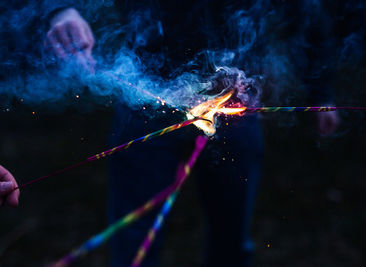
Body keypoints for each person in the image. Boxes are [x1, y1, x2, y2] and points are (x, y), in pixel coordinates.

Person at [43, 2, 339, 266]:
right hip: (146, 99)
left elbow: (306, 10)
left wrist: (320, 90)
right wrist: (61, 9)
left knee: (231, 237)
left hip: (238, 107)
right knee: (134, 236)